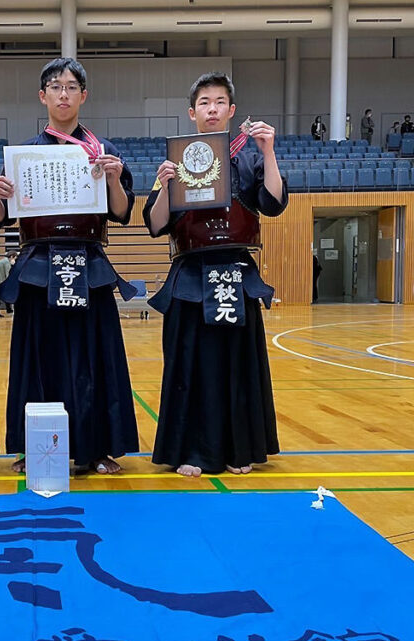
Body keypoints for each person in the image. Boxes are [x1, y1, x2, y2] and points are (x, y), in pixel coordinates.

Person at [0, 57, 139, 475]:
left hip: (88, 263)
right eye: (55, 87)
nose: (63, 94)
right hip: (39, 266)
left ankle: (97, 447)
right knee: (38, 358)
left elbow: (123, 214)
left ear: (83, 95)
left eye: (72, 87)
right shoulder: (24, 154)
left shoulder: (104, 152)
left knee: (95, 356)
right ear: (43, 96)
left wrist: (113, 177)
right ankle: (32, 447)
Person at [143, 71, 288, 477]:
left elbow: (274, 204)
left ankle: (236, 449)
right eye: (204, 102)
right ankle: (191, 449)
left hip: (236, 270)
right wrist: (165, 185)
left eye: (219, 102)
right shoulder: (176, 160)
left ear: (231, 110)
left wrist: (270, 150)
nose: (212, 108)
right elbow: (155, 225)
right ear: (193, 113)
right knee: (190, 367)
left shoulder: (250, 156)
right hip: (190, 273)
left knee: (236, 366)